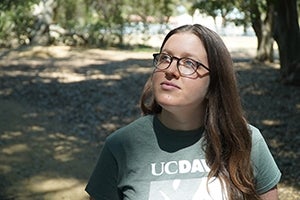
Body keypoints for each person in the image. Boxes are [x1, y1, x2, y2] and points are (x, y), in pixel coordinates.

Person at [85, 24, 281, 200]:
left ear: (214, 82)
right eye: (165, 58)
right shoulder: (120, 146)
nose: (171, 70)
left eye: (189, 63)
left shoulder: (246, 141)